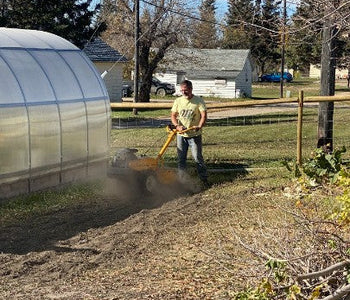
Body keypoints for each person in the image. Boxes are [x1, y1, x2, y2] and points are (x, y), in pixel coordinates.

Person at [171, 80, 209, 186]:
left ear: (191, 89)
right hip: (181, 135)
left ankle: (204, 179)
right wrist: (177, 126)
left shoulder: (198, 101)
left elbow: (204, 116)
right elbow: (173, 115)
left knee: (197, 158)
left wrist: (199, 126)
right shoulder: (178, 101)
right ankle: (181, 181)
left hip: (194, 135)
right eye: (182, 91)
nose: (184, 93)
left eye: (186, 90)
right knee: (181, 159)